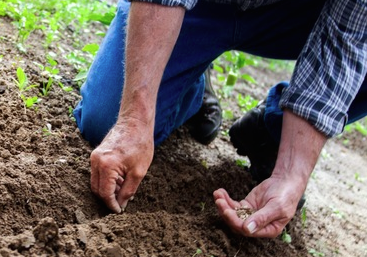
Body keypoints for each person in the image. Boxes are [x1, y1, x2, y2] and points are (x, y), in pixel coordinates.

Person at [73, 0, 367, 238]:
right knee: (106, 121)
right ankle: (191, 86)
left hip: (297, 15)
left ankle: (272, 132)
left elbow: (345, 40)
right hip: (200, 7)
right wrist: (134, 121)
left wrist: (291, 174)